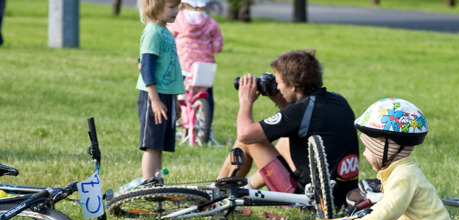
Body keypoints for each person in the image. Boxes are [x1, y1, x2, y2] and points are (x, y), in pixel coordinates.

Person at [217, 49, 359, 208]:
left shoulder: (301, 111)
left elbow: (245, 134)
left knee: (250, 142)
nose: (276, 86)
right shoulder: (338, 101)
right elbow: (296, 123)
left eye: (278, 82)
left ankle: (214, 197)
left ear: (293, 86)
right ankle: (245, 188)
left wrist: (245, 100)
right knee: (286, 139)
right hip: (341, 197)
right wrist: (278, 98)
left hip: (307, 202)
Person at [135, 0, 185, 183]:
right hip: (153, 96)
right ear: (155, 7)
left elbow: (171, 70)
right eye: (171, 7)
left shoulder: (166, 32)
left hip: (166, 96)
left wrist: (176, 100)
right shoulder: (152, 33)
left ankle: (158, 182)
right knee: (151, 144)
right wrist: (154, 100)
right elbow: (146, 68)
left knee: (160, 145)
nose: (176, 10)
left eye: (177, 6)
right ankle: (149, 184)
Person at [168, 0, 224, 137]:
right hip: (205, 67)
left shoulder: (178, 20)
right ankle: (206, 126)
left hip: (183, 65)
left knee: (179, 96)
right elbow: (218, 47)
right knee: (207, 95)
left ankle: (179, 123)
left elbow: (168, 38)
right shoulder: (211, 23)